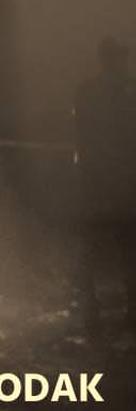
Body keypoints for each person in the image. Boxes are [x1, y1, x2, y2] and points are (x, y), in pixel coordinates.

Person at [73, 37, 136, 340]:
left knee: (99, 249)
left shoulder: (89, 92)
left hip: (103, 181)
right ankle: (101, 312)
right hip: (114, 181)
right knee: (120, 247)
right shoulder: (124, 92)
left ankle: (94, 313)